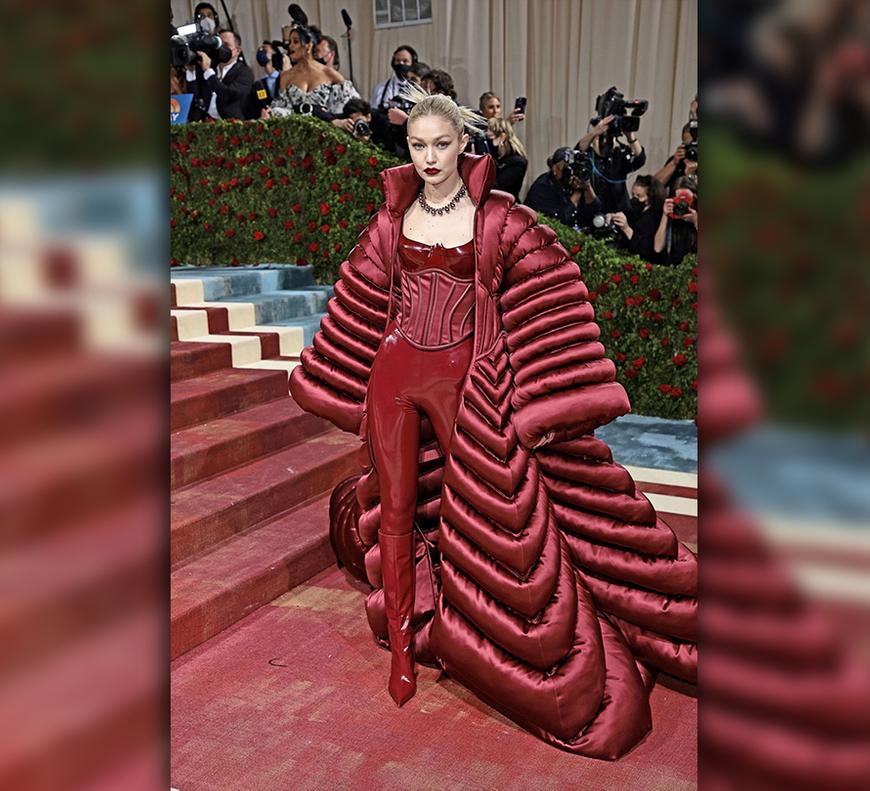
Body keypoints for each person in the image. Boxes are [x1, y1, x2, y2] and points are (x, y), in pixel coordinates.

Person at [289, 84, 697, 759]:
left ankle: (477, 622)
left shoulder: (500, 218)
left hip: (462, 382)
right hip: (394, 378)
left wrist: (521, 381)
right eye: (417, 145)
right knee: (397, 513)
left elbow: (549, 285)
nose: (428, 157)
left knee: (481, 505)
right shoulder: (391, 218)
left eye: (440, 144)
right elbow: (362, 292)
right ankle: (402, 652)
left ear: (463, 145)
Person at [264, 24, 359, 119]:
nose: (290, 46)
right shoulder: (286, 76)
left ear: (309, 45)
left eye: (295, 42)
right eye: (290, 42)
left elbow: (352, 105)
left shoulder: (329, 73)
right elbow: (282, 111)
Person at [576, 113, 646, 214]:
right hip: (592, 210)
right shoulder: (588, 156)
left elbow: (640, 160)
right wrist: (594, 132)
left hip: (618, 211)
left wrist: (630, 137)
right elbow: (577, 152)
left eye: (608, 138)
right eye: (601, 138)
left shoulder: (619, 154)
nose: (605, 142)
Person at [524, 146, 602, 230]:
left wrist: (587, 187)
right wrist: (577, 192)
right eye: (566, 169)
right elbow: (561, 222)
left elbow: (595, 212)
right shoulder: (543, 187)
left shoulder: (576, 181)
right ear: (554, 168)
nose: (571, 173)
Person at [185, 29, 254, 121]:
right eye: (218, 45)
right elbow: (195, 98)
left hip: (231, 125)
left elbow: (227, 94)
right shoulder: (209, 68)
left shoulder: (244, 72)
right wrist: (191, 71)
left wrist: (208, 72)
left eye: (226, 45)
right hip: (207, 124)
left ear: (237, 50)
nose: (220, 49)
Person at [605, 174, 665, 261]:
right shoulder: (632, 211)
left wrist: (626, 228)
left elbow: (646, 250)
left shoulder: (655, 218)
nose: (634, 199)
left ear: (650, 198)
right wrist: (612, 216)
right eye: (633, 195)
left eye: (639, 196)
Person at [653, 175, 698, 265]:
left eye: (687, 198)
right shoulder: (669, 216)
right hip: (673, 268)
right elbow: (657, 248)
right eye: (679, 198)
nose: (683, 203)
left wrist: (696, 221)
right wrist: (665, 215)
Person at [485, 117, 527, 199]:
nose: (488, 142)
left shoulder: (517, 162)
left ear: (502, 137)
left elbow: (497, 188)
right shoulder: (497, 158)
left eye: (490, 138)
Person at [653, 122, 699, 191]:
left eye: (695, 146)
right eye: (689, 145)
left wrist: (690, 176)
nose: (693, 150)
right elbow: (653, 188)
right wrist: (674, 163)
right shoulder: (680, 160)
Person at [370, 45, 418, 110]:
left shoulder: (419, 88)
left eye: (405, 61)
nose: (401, 63)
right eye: (398, 60)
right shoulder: (380, 88)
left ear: (413, 64)